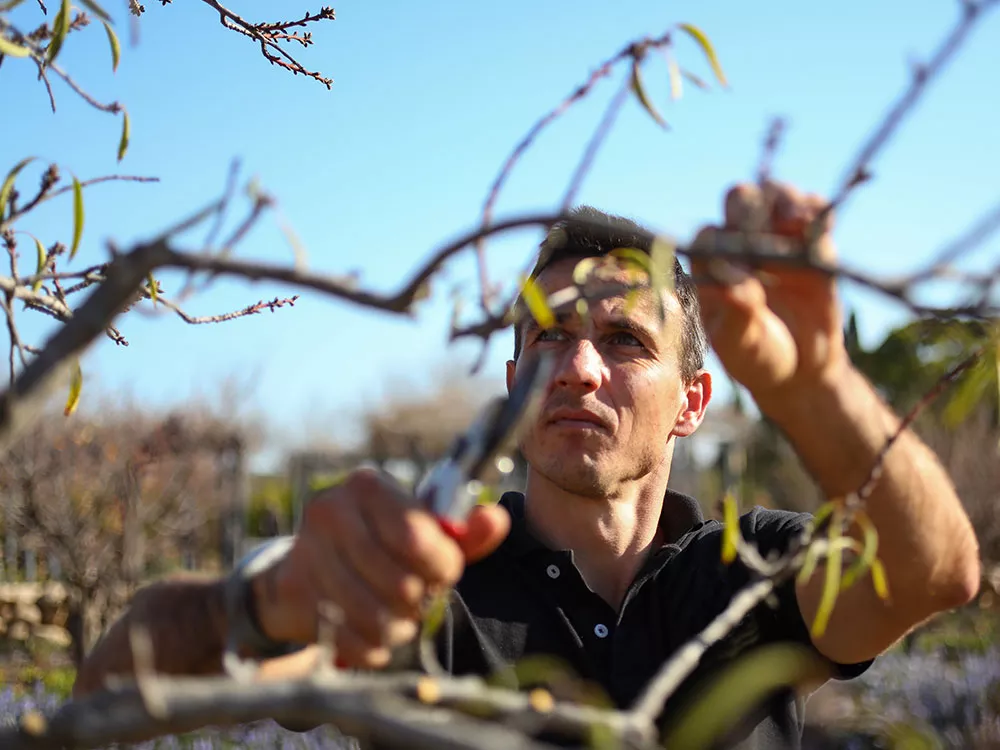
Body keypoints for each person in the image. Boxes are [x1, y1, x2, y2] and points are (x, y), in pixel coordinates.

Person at [72, 181, 981, 748]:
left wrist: (814, 381)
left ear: (693, 404)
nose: (577, 367)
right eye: (550, 337)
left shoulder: (749, 575)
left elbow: (933, 571)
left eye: (625, 340)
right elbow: (119, 686)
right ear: (513, 385)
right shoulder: (430, 587)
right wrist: (263, 602)